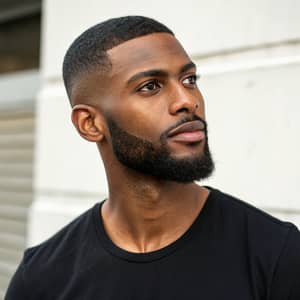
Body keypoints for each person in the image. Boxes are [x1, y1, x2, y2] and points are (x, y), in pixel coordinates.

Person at [5, 16, 300, 300]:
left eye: (189, 79)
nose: (187, 100)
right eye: (150, 86)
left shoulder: (277, 255)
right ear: (90, 124)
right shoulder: (42, 278)